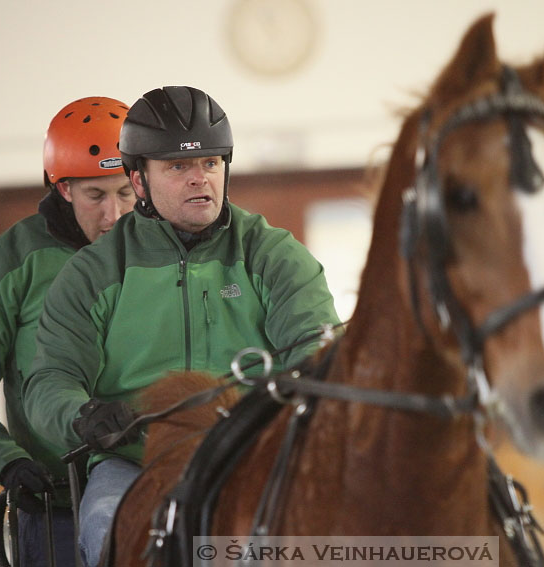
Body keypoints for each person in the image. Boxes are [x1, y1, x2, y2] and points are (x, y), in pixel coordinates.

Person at [23, 86, 340, 567]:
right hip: (134, 459)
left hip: (253, 451)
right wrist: (82, 415)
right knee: (106, 521)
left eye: (211, 164)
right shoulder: (92, 273)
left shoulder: (273, 254)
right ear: (139, 180)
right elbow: (49, 381)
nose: (200, 179)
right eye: (178, 167)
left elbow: (319, 354)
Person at [0, 96, 135, 566]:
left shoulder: (162, 252)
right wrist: (6, 461)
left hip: (153, 491)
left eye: (126, 192)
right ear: (62, 188)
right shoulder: (9, 265)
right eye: (95, 196)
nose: (115, 216)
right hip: (53, 508)